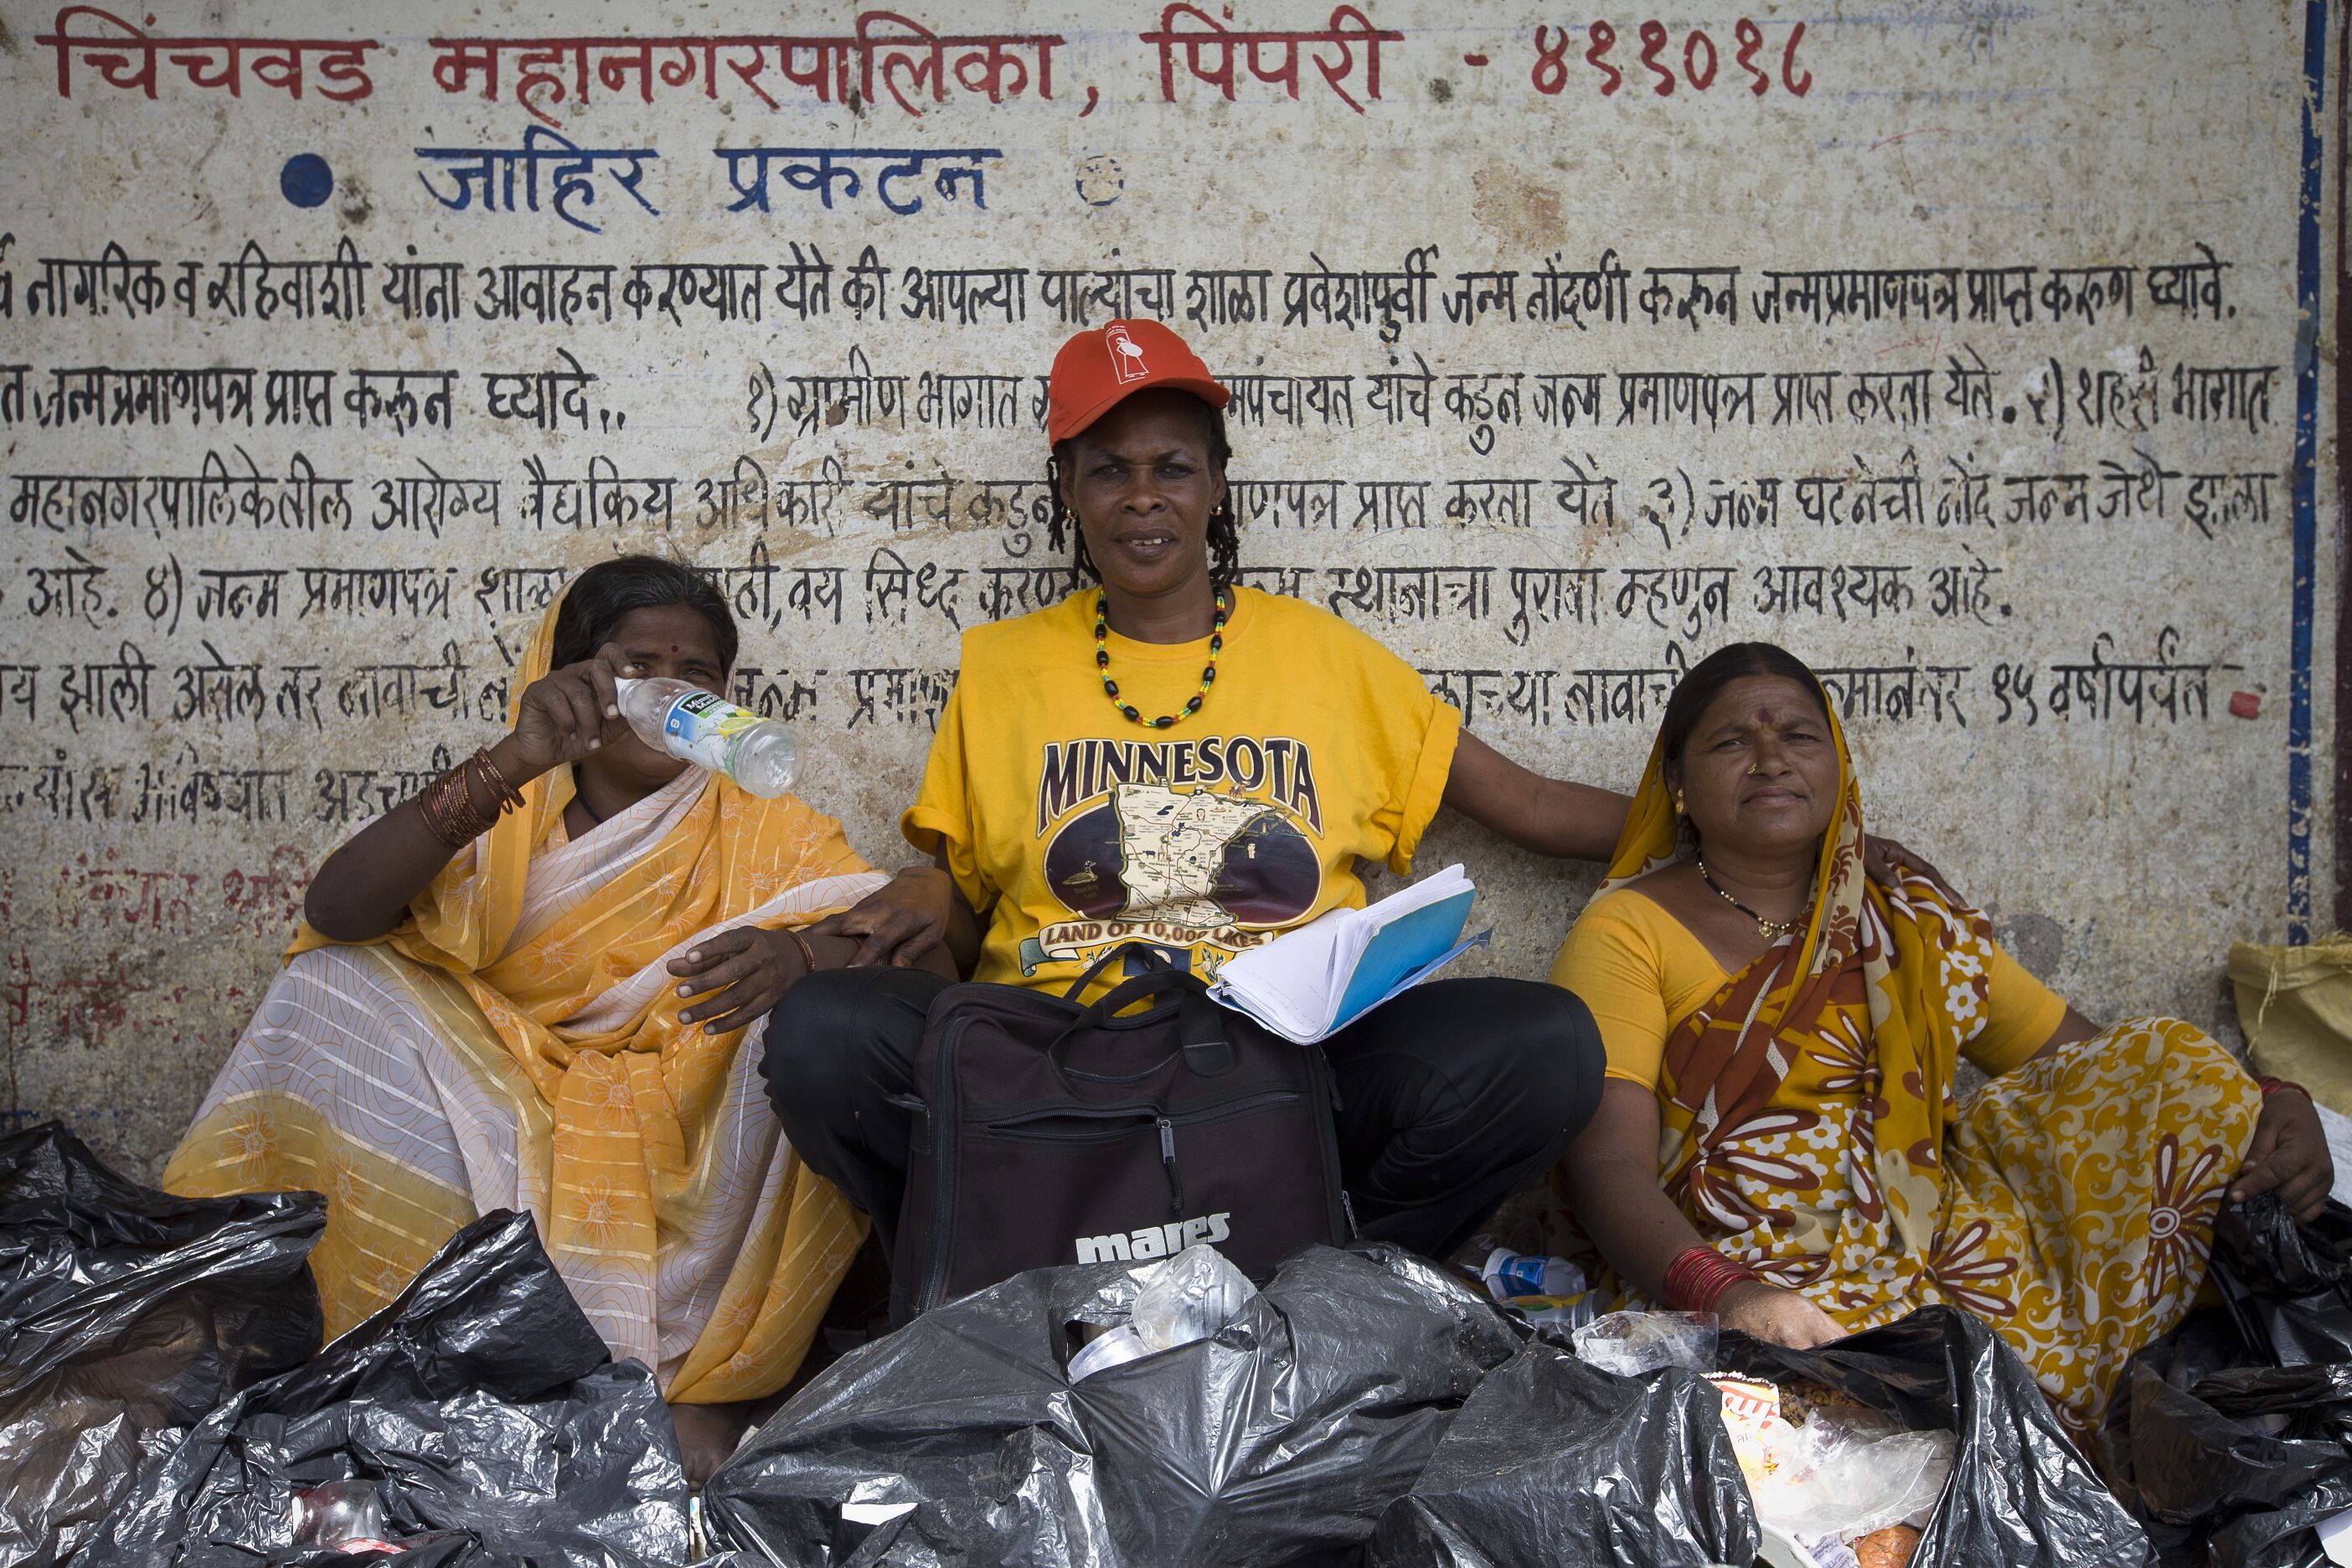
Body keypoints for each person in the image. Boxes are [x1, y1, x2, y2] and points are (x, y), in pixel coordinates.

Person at [761, 318, 1634, 1271]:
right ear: (1068, 490)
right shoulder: (1002, 669)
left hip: (1290, 1055)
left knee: (1546, 1044)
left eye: (1172, 468)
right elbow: (964, 922)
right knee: (823, 1037)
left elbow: (1531, 806)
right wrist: (905, 903)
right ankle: (986, 1276)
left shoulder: (1326, 659)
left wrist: (1706, 828)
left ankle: (1324, 1279)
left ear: (1216, 484)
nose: (1143, 497)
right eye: (1109, 470)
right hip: (1058, 1055)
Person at [163, 555, 956, 1480]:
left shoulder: (766, 832)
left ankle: (709, 1381)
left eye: (696, 675)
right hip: (509, 1096)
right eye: (636, 666)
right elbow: (337, 911)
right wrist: (518, 757)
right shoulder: (512, 812)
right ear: (572, 675)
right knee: (336, 980)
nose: (668, 693)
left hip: (687, 1136)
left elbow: (925, 969)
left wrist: (803, 955)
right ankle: (387, 1341)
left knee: (806, 1023)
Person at [1550, 641, 2333, 1438]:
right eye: (1731, 741)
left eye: (1800, 736)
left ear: (1840, 766)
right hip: (1747, 1265)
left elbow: (2110, 1074)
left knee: (2176, 1063)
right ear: (1677, 783)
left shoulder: (1907, 919)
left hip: (1938, 1242)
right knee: (1870, 1416)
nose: (1771, 760)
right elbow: (1606, 1164)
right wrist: (1729, 1294)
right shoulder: (1630, 929)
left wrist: (2270, 1102)